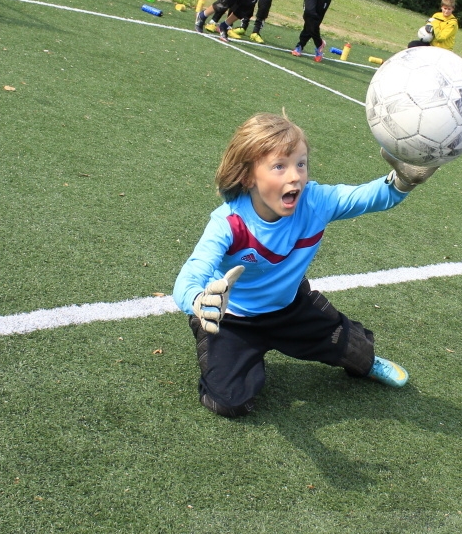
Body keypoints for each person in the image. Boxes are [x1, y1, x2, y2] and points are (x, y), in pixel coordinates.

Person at [172, 112, 439, 417]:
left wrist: (402, 182)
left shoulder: (315, 201)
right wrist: (199, 301)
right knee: (228, 402)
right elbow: (189, 276)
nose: (295, 176)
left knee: (358, 353)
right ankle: (233, 351)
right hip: (233, 318)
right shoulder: (228, 223)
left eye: (300, 163)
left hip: (290, 308)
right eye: (279, 166)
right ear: (248, 176)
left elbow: (367, 197)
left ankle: (362, 358)